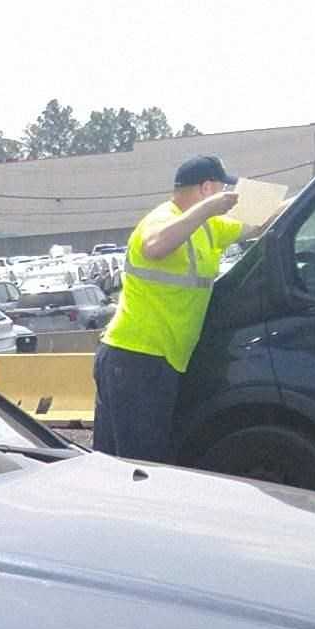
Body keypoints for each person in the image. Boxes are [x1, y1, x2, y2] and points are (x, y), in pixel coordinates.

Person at [92, 155, 242, 461]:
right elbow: (155, 246)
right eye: (221, 189)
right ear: (206, 188)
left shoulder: (209, 227)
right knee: (139, 464)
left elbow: (259, 223)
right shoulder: (162, 218)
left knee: (128, 461)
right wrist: (207, 210)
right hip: (136, 360)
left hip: (156, 361)